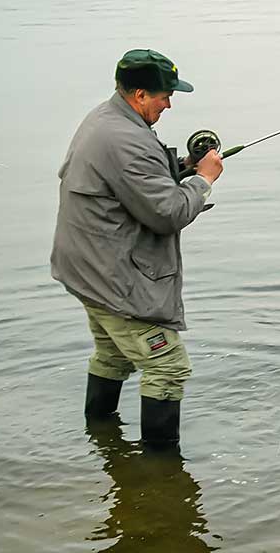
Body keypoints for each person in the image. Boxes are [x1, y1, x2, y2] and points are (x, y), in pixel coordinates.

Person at [51, 48, 223, 453]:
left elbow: (131, 182)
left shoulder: (104, 119)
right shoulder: (128, 139)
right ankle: (160, 468)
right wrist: (203, 180)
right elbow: (169, 213)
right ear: (141, 94)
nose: (169, 104)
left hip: (85, 271)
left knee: (113, 354)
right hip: (113, 279)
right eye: (165, 96)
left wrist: (183, 167)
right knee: (168, 367)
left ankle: (101, 441)